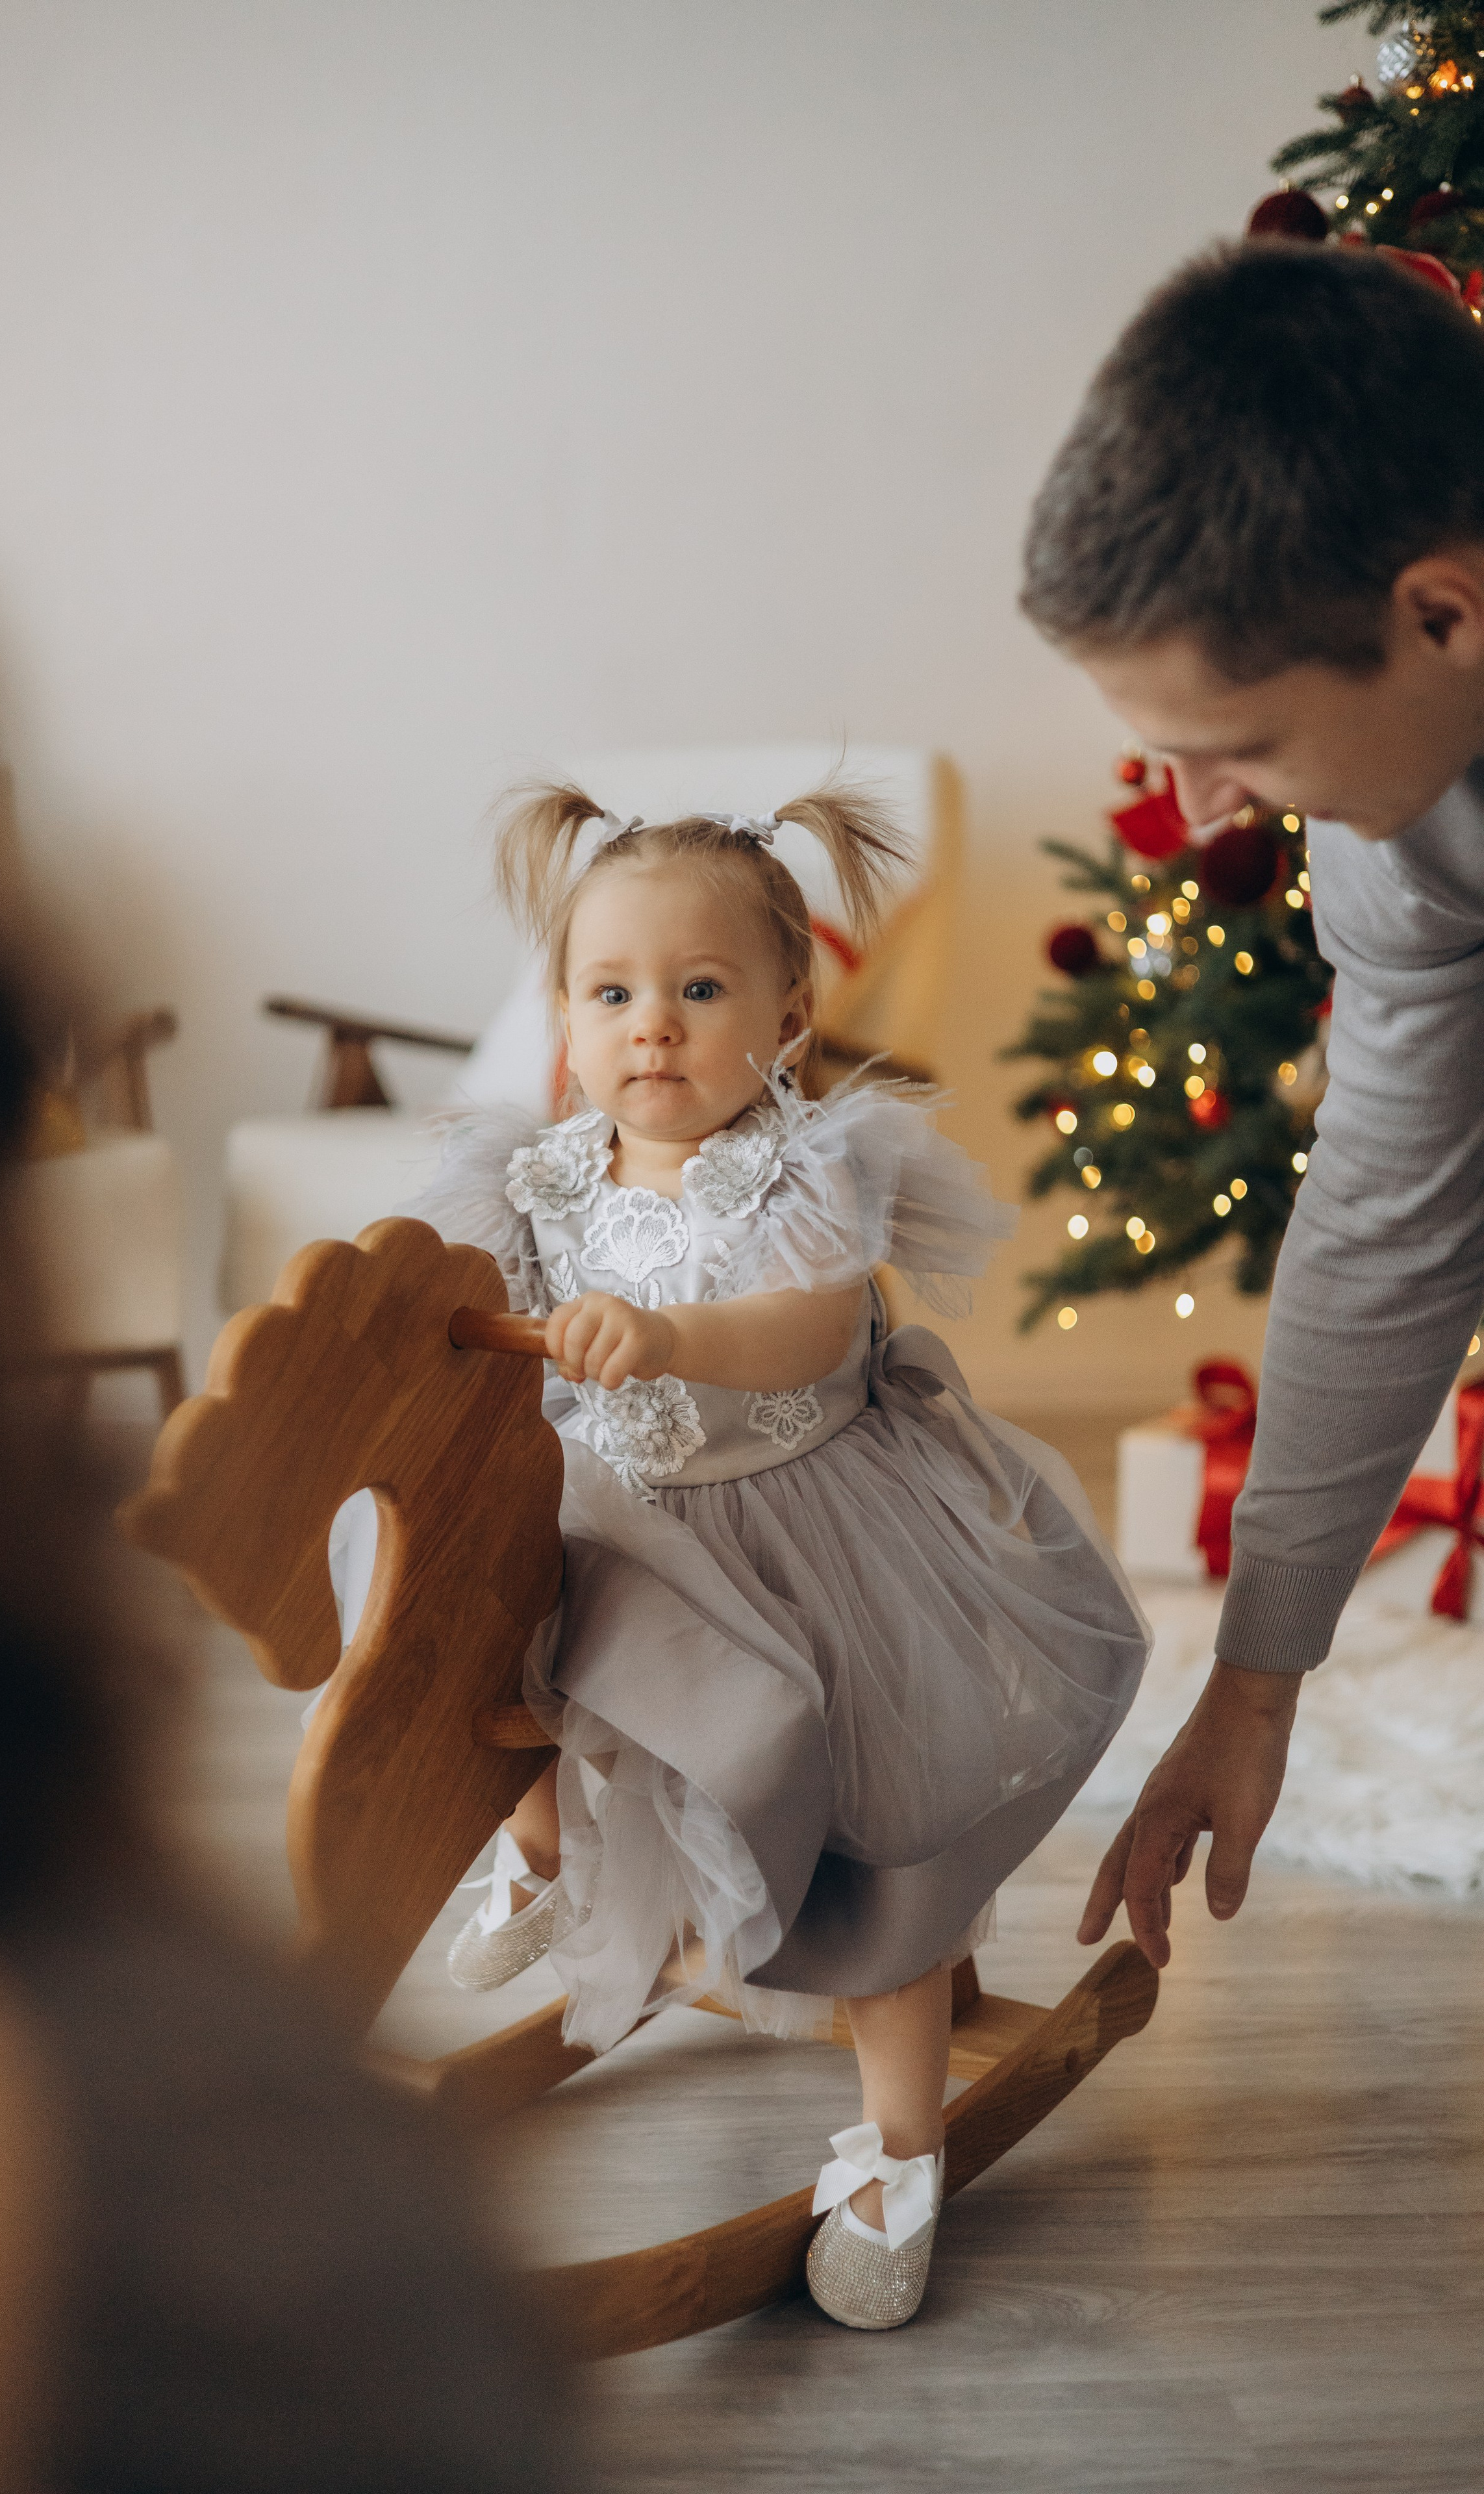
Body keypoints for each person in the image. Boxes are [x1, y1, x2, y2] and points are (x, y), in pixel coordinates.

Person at [0, 494, 569, 2491]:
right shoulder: (238, 2205)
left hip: (700, 1429)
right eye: (609, 997)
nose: (644, 1034)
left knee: (708, 1650)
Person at [407, 783, 1151, 2331]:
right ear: (562, 1013)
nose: (652, 1031)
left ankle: (898, 2151)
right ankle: (540, 1854)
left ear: (789, 1011)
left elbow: (808, 1327)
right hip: (610, 1531)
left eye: (698, 991)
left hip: (808, 1535)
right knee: (467, 1603)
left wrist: (671, 1333)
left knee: (867, 1845)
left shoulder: (805, 1168)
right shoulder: (538, 1180)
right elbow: (458, 1330)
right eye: (611, 994)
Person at [1020, 240, 1484, 1973]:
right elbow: (1389, 1216)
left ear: (1442, 613)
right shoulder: (1400, 843)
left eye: (1242, 746)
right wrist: (1260, 1677)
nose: (1202, 812)